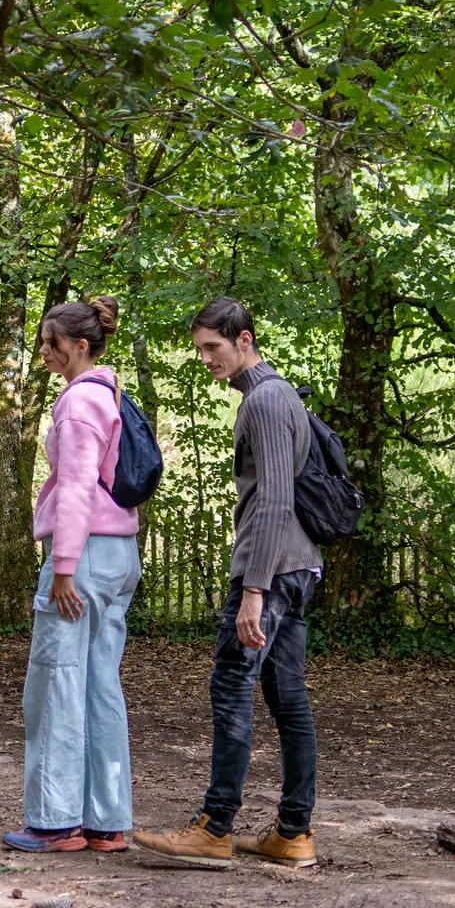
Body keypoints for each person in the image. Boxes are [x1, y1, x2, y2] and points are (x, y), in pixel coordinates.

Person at [133, 297, 322, 868]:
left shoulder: (264, 400)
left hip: (271, 571)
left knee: (232, 686)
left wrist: (255, 589)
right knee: (288, 699)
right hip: (298, 565)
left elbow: (274, 501)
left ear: (245, 340)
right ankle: (293, 833)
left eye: (213, 347)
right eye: (200, 350)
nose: (206, 359)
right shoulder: (280, 394)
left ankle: (215, 828)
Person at [3, 297, 144, 854]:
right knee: (99, 685)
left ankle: (56, 820)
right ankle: (107, 822)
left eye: (51, 343)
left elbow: (79, 488)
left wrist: (62, 568)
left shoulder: (80, 403)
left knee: (56, 683)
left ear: (80, 346)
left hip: (82, 559)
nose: (44, 351)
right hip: (119, 556)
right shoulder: (112, 394)